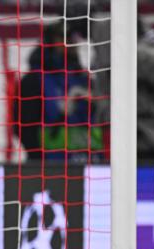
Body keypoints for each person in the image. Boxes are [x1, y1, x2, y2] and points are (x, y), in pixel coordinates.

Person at [15, 21, 103, 162]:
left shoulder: (85, 79)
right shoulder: (33, 81)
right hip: (50, 166)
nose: (72, 43)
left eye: (74, 38)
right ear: (50, 41)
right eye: (66, 38)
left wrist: (96, 105)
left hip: (91, 162)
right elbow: (24, 129)